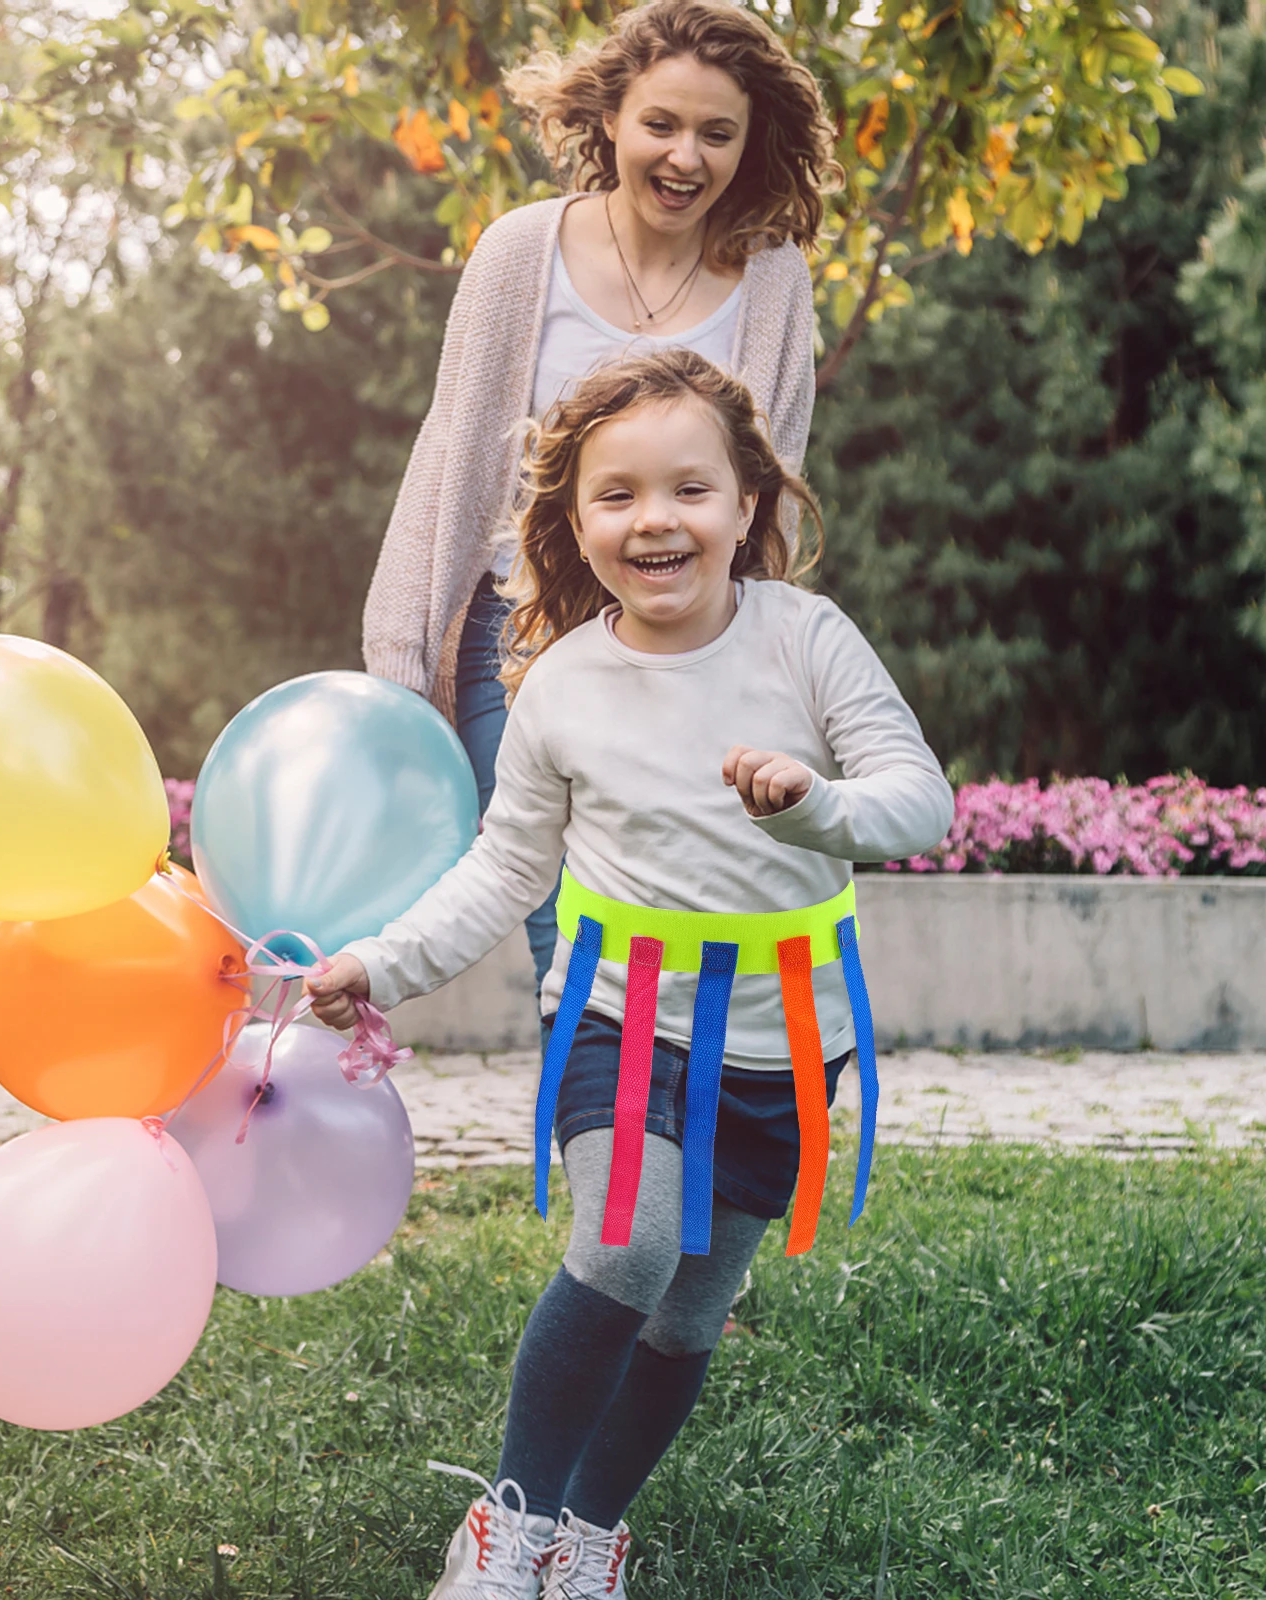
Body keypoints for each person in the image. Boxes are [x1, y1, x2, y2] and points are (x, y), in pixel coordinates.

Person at [312, 350, 954, 1599]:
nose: (655, 518)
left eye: (688, 489)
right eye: (617, 495)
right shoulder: (557, 686)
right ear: (574, 524)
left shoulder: (806, 637)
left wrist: (813, 802)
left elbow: (917, 800)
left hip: (786, 1043)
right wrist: (382, 962)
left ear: (748, 503)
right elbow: (504, 871)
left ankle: (590, 1532)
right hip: (627, 1015)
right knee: (625, 1245)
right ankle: (508, 1527)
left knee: (688, 1311)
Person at [361, 0, 838, 1002]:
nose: (684, 157)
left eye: (717, 133)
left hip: (693, 650)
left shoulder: (772, 278)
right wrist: (401, 665)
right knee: (563, 931)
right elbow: (451, 454)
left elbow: (768, 488)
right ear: (610, 116)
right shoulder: (520, 251)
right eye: (660, 124)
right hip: (523, 640)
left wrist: (762, 666)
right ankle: (608, 1150)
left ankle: (688, 1131)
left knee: (676, 916)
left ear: (751, 144)